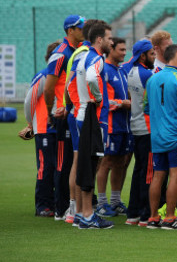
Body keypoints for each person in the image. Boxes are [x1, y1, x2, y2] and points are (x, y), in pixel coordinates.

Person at [145, 44, 177, 230]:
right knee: (175, 175)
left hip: (157, 137)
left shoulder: (152, 79)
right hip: (176, 137)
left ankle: (152, 217)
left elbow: (146, 107)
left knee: (158, 176)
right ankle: (169, 217)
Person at [74, 22, 114, 229]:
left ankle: (82, 213)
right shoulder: (96, 59)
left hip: (82, 115)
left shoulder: (81, 58)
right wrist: (98, 98)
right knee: (91, 165)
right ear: (99, 39)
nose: (112, 41)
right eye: (109, 38)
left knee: (85, 165)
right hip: (94, 118)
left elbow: (73, 83)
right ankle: (88, 215)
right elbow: (91, 78)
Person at [45, 15, 83, 220]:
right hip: (62, 115)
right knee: (64, 163)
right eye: (80, 27)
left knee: (75, 161)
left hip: (74, 112)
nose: (84, 30)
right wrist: (52, 111)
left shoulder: (80, 50)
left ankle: (75, 205)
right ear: (70, 30)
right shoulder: (60, 54)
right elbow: (49, 87)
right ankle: (61, 209)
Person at [95, 37, 131, 217]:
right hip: (110, 125)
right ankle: (101, 203)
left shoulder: (122, 71)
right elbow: (103, 99)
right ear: (111, 50)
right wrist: (123, 103)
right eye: (121, 50)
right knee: (106, 162)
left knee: (121, 163)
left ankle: (115, 201)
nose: (124, 53)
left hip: (124, 125)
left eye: (125, 50)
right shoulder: (105, 70)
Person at [25, 41, 62, 217]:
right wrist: (30, 124)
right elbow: (29, 100)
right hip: (44, 128)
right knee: (45, 167)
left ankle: (56, 202)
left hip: (58, 127)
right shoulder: (43, 75)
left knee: (58, 167)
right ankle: (42, 205)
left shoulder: (61, 76)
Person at [124, 39, 156, 226]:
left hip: (136, 126)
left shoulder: (131, 71)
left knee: (139, 170)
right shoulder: (147, 75)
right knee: (148, 171)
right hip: (147, 127)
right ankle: (145, 214)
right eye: (152, 53)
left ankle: (133, 212)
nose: (154, 56)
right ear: (143, 55)